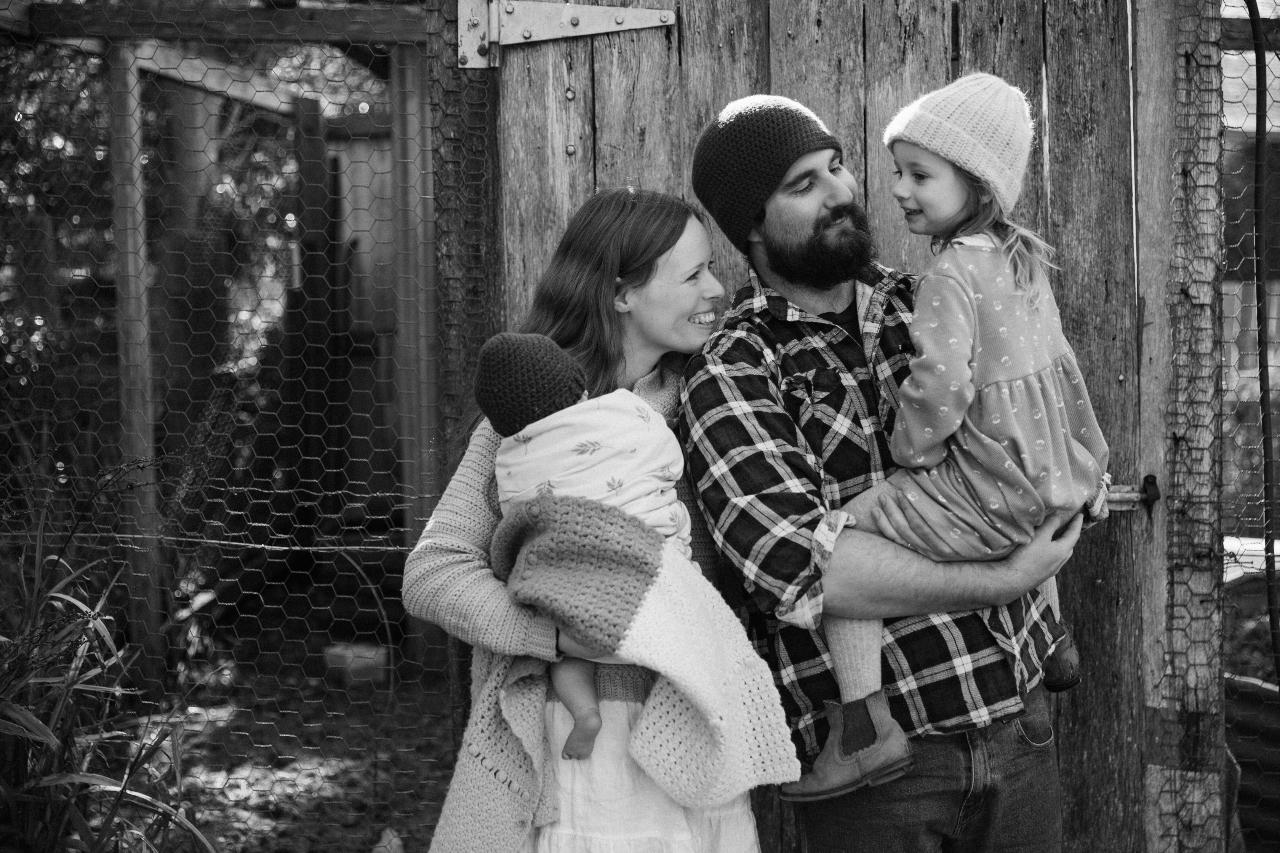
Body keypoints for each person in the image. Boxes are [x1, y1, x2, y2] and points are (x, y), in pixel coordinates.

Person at [684, 92, 1084, 851]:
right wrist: (1004, 575)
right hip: (883, 779)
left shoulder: (933, 297)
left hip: (1022, 719)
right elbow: (804, 567)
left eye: (836, 167)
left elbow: (1038, 434)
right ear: (750, 226)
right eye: (803, 184)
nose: (840, 190)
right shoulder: (735, 365)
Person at [403, 188, 795, 853]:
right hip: (588, 749)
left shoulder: (717, 399)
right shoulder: (533, 427)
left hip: (697, 731)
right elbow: (433, 572)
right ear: (621, 294)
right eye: (694, 273)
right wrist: (559, 639)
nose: (717, 288)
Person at [782, 72, 1113, 801]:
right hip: (1051, 474)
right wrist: (1087, 463)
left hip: (986, 491)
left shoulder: (950, 275)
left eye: (920, 176)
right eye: (899, 171)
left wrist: (912, 454)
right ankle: (1050, 638)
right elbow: (1061, 370)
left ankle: (863, 727)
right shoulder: (1022, 259)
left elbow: (939, 386)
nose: (898, 189)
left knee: (834, 540)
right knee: (1033, 520)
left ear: (980, 184)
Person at [471, 329, 796, 777]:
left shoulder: (508, 458)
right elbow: (667, 462)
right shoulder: (624, 413)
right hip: (649, 594)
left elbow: (516, 516)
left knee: (568, 661)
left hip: (574, 612)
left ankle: (585, 713)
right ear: (580, 389)